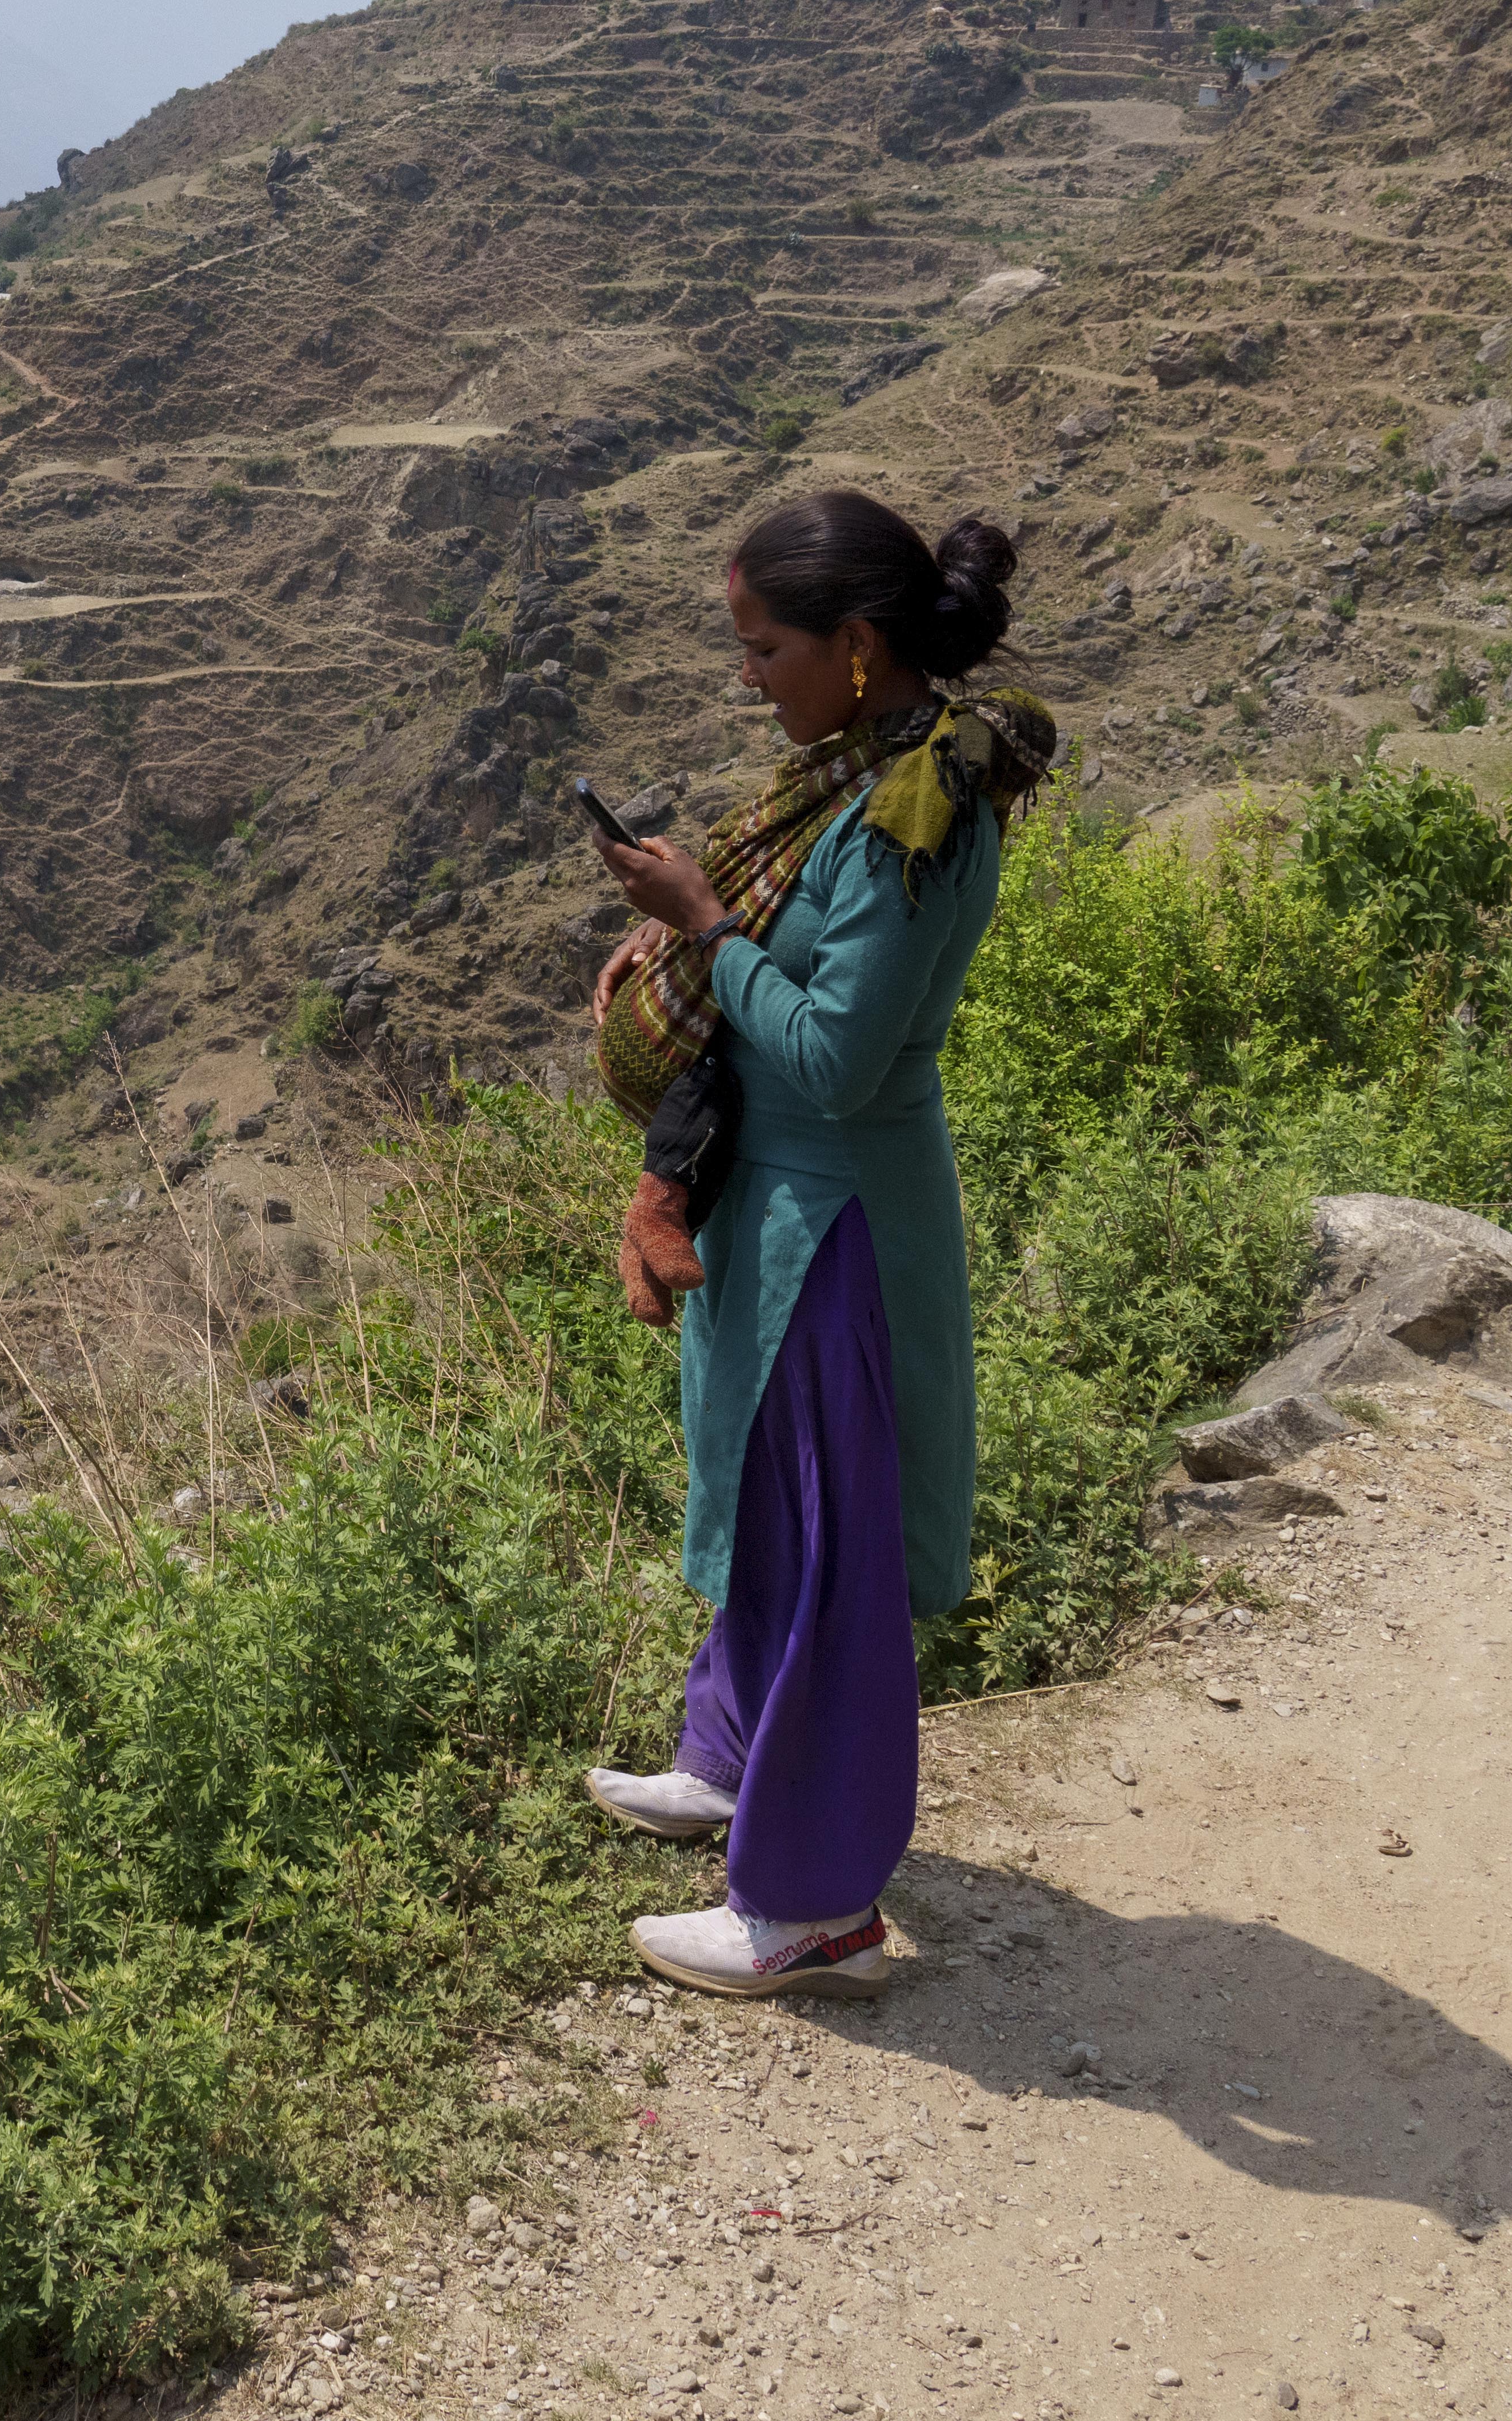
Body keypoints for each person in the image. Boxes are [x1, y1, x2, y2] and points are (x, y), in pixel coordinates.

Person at [576, 490, 1054, 1998]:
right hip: (777, 1198)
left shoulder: (923, 811)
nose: (748, 678)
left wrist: (708, 926)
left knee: (831, 1544)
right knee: (775, 1513)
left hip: (839, 1214)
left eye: (766, 648)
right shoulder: (850, 783)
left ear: (856, 646)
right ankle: (732, 1765)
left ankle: (815, 1903)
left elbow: (843, 1058)